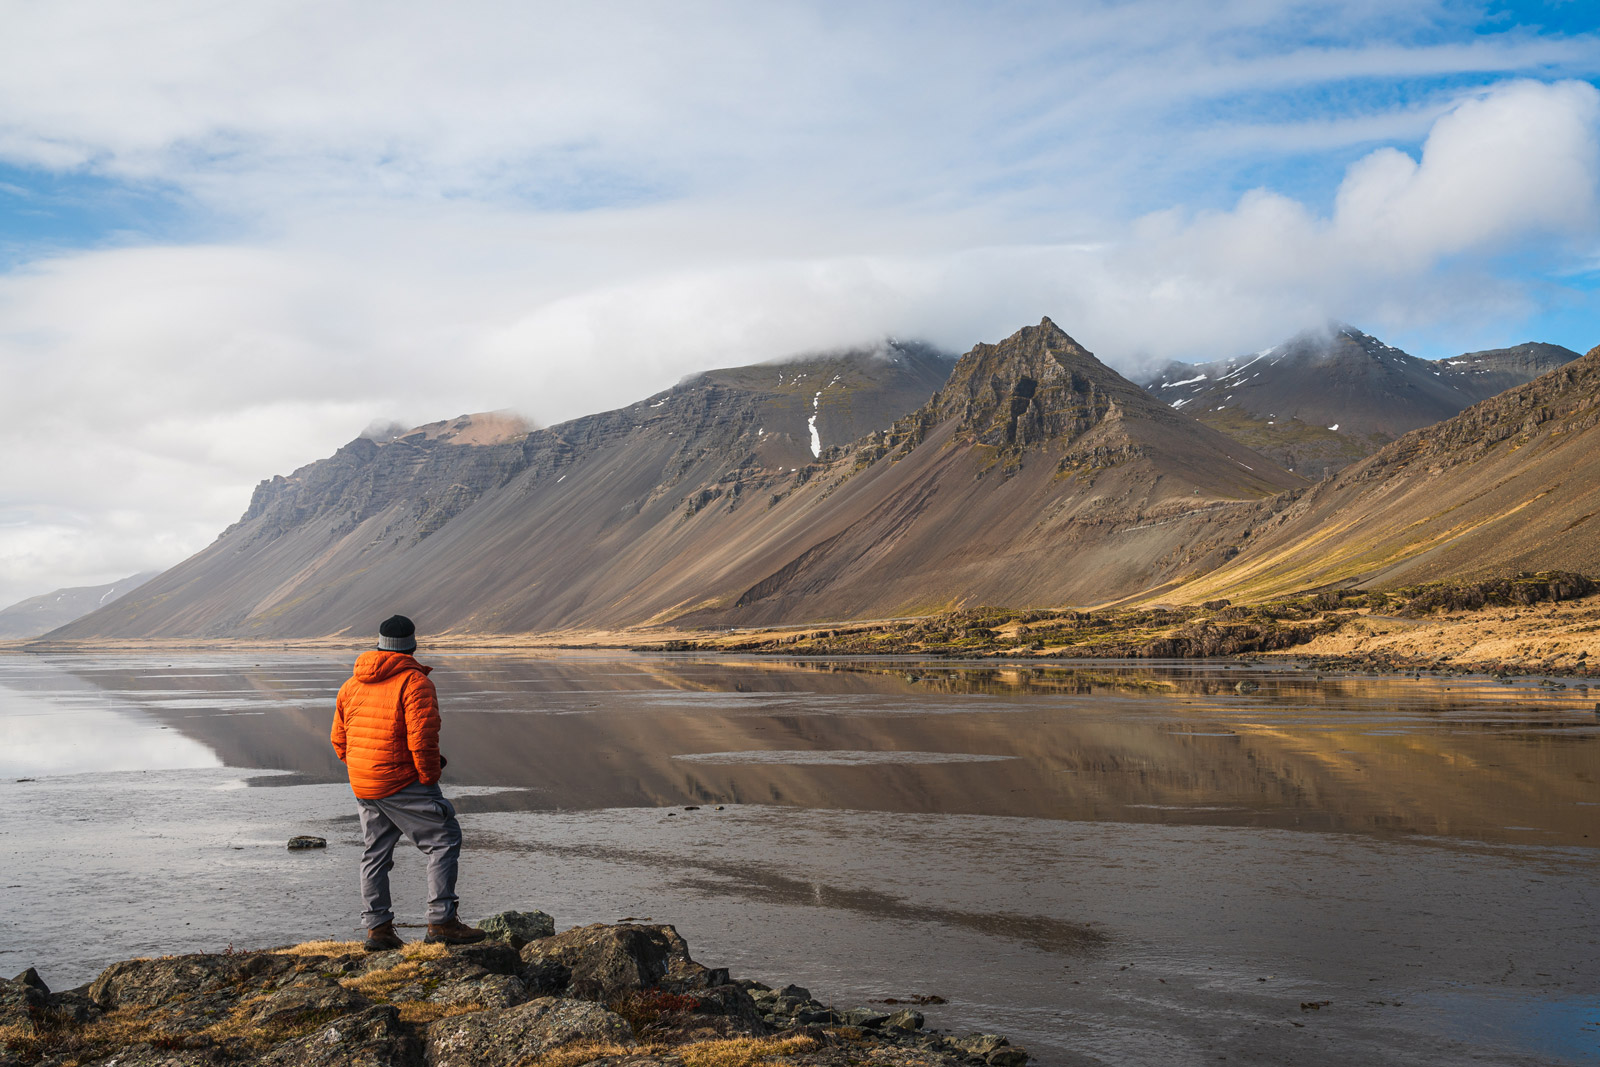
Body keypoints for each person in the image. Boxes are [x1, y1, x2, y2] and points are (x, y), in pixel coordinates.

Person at [330, 614, 486, 951]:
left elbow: (339, 741)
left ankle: (378, 929)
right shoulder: (415, 683)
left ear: (379, 644)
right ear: (413, 645)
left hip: (365, 784)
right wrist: (428, 778)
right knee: (444, 839)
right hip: (401, 780)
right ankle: (442, 921)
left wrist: (363, 768)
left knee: (375, 853)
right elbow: (423, 740)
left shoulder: (351, 685)